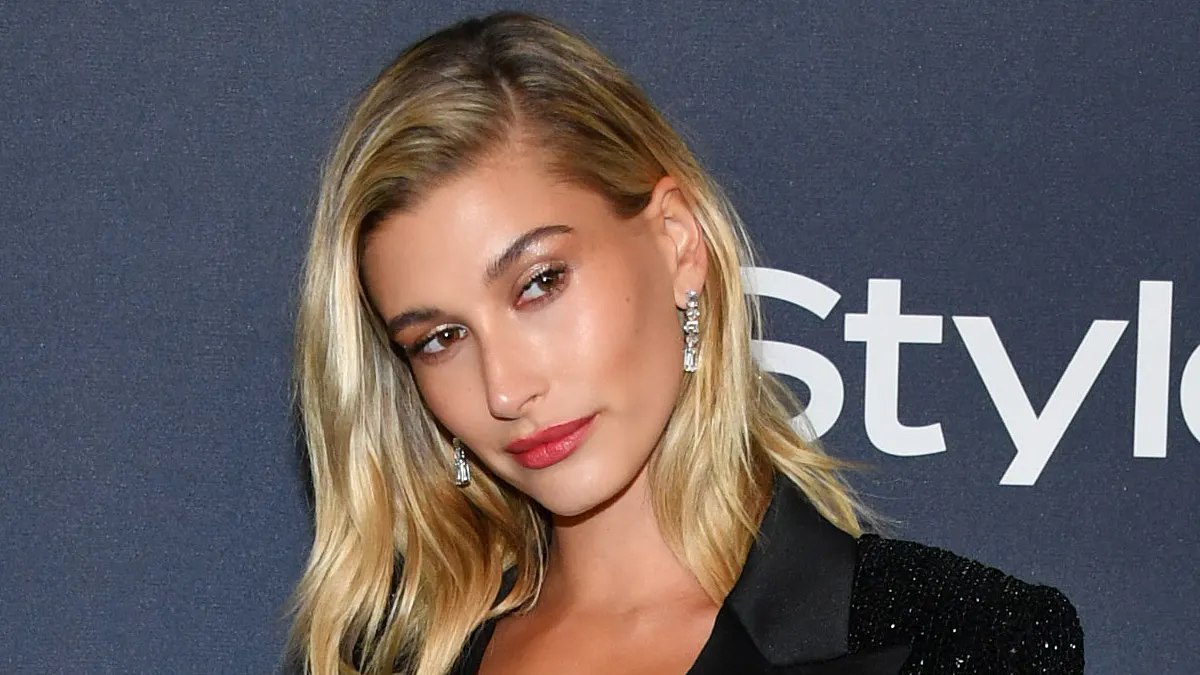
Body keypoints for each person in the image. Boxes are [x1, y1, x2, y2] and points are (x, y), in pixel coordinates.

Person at [288, 11, 1084, 675]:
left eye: (539, 283)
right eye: (441, 337)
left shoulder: (963, 641)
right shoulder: (374, 660)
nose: (504, 387)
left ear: (676, 241)